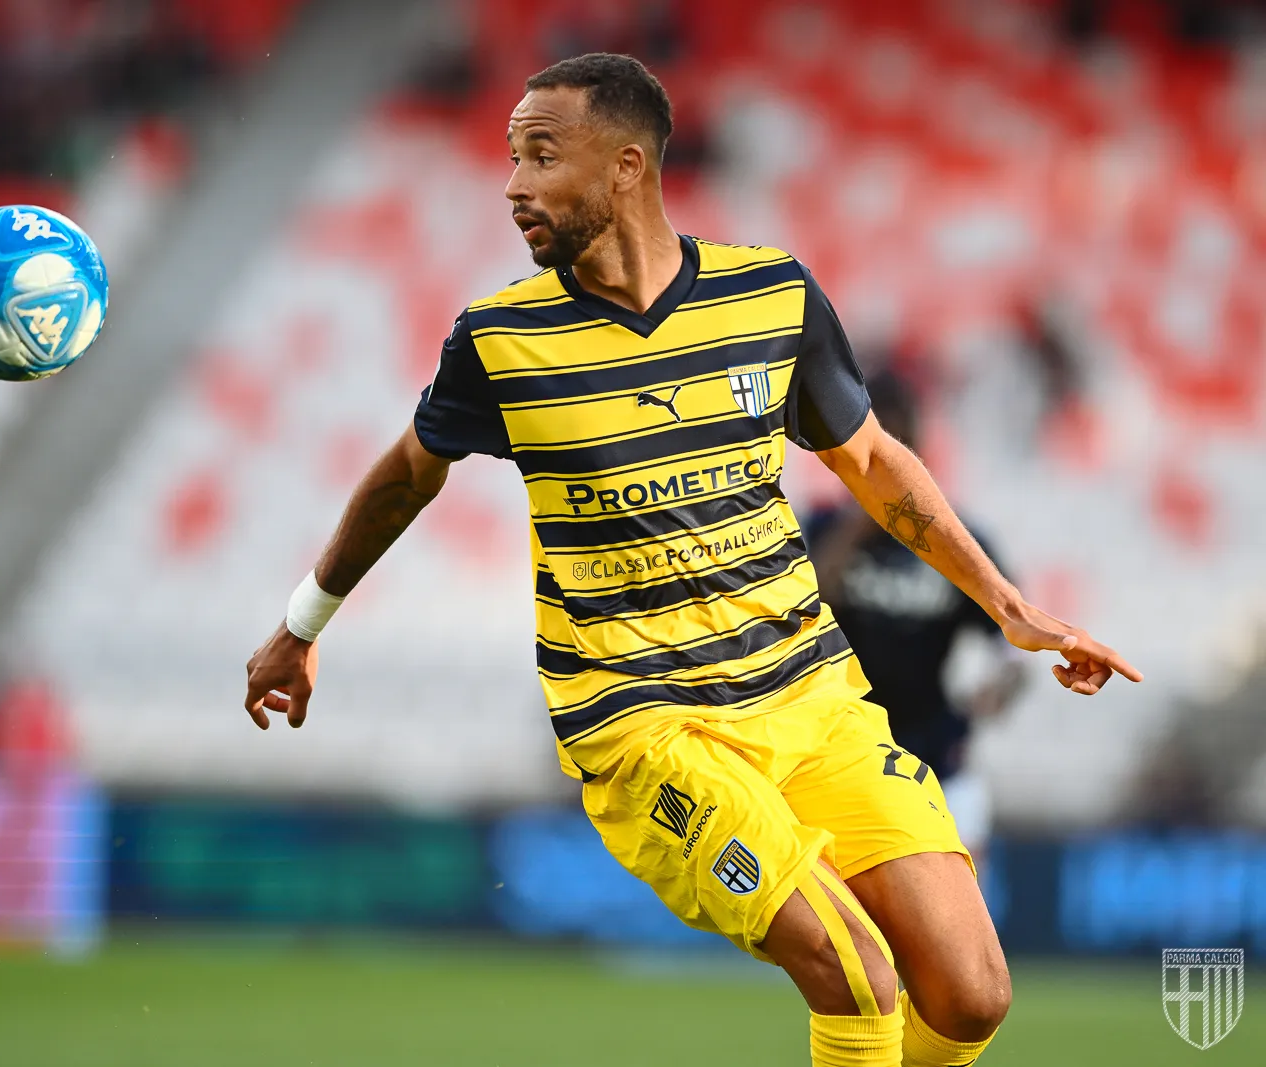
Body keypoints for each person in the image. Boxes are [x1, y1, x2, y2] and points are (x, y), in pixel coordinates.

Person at [243, 54, 1140, 1067]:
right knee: (856, 973)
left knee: (971, 995)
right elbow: (406, 477)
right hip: (650, 726)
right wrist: (302, 624)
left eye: (542, 156)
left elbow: (872, 459)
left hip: (812, 699)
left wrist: (1006, 604)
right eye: (511, 159)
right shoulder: (499, 340)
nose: (514, 186)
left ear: (627, 166)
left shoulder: (772, 296)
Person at [805, 372, 1025, 870]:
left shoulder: (955, 541)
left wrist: (999, 687)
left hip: (936, 752)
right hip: (845, 753)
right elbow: (801, 604)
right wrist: (861, 521)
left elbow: (1011, 640)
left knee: (959, 893)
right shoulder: (821, 529)